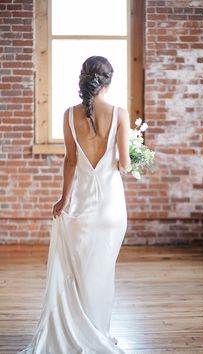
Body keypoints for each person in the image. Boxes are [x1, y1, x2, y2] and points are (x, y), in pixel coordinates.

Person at [17, 56, 130, 354]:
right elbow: (124, 165)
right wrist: (131, 154)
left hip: (80, 208)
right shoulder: (120, 114)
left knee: (80, 271)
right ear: (109, 81)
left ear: (84, 79)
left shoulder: (68, 115)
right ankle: (99, 332)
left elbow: (69, 161)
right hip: (111, 209)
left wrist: (63, 198)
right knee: (103, 271)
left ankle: (86, 329)